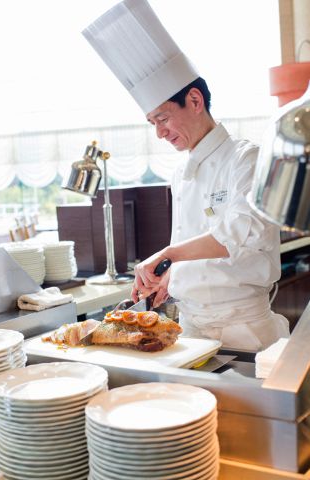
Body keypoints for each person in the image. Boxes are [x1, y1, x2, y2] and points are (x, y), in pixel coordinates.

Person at [82, 0, 290, 350]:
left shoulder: (247, 158)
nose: (160, 133)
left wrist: (169, 254)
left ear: (195, 100)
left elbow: (241, 231)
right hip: (191, 331)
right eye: (153, 124)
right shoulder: (181, 173)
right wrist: (171, 278)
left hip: (244, 330)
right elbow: (197, 246)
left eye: (163, 119)